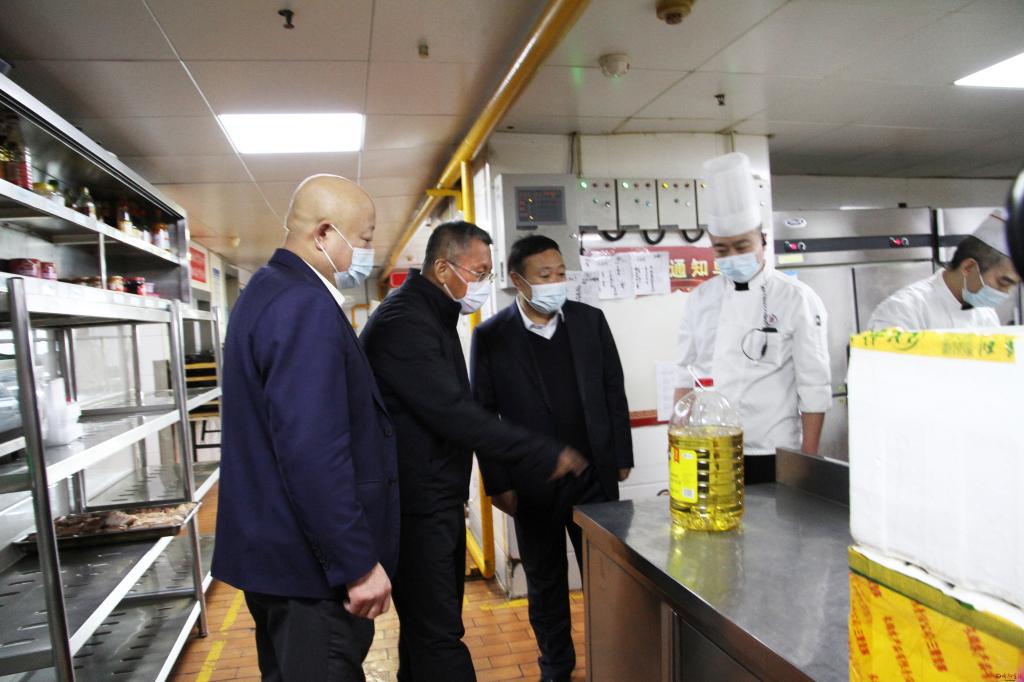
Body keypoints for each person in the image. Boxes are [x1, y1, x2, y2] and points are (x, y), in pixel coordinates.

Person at [360, 221, 589, 682]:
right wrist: (542, 452)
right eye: (479, 272)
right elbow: (456, 413)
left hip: (433, 497)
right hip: (417, 506)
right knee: (439, 635)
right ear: (443, 269)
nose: (485, 282)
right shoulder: (406, 323)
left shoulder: (433, 314)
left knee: (426, 633)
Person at [212, 175, 398, 682]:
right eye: (364, 238)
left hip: (276, 561)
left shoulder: (265, 291)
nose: (368, 250)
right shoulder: (304, 305)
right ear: (324, 234)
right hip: (310, 575)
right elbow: (313, 451)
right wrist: (357, 564)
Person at [470, 235, 633, 682]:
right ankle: (556, 666)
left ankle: (614, 661)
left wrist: (620, 455)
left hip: (593, 476)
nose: (556, 282)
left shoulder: (589, 322)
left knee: (605, 577)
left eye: (561, 273)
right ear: (518, 280)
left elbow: (613, 389)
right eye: (545, 275)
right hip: (532, 484)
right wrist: (498, 484)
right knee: (545, 583)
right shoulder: (491, 336)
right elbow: (483, 415)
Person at [675, 152, 831, 483]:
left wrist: (807, 458)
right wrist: (678, 443)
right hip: (711, 447)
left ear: (762, 240)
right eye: (722, 250)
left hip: (773, 450)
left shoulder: (796, 299)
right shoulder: (700, 299)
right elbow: (684, 373)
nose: (732, 256)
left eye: (742, 246)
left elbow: (814, 385)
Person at [868, 209, 1020, 331]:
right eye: (1003, 282)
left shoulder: (986, 314)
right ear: (968, 267)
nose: (1005, 293)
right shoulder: (903, 310)